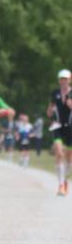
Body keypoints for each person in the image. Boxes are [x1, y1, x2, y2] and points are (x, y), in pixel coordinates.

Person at [47, 68, 72, 196]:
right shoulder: (55, 93)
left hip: (70, 127)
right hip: (57, 126)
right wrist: (50, 111)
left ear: (70, 80)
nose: (63, 81)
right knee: (59, 153)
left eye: (65, 79)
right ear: (59, 80)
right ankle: (61, 185)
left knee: (69, 157)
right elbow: (49, 111)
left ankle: (66, 179)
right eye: (61, 79)